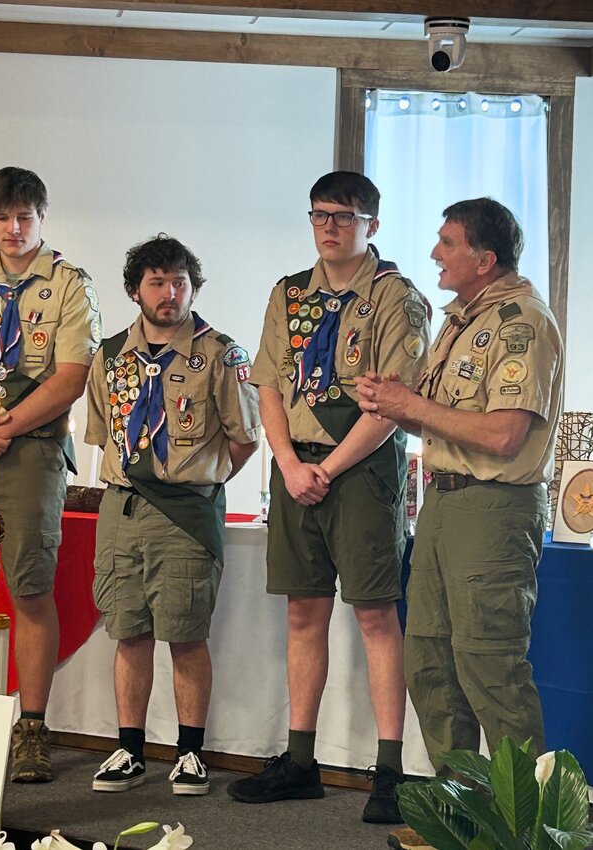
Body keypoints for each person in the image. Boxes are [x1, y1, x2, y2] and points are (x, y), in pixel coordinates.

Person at [357, 198, 563, 845]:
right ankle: (464, 820)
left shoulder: (521, 323)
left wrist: (410, 403)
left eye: (447, 243)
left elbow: (503, 434)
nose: (434, 255)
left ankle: (523, 827)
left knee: (490, 667)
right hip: (445, 502)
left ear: (485, 257)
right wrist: (396, 403)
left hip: (493, 508)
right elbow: (444, 418)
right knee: (432, 664)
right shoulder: (460, 320)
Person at [227, 171, 430, 823]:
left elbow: (394, 405)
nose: (329, 227)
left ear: (372, 224)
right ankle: (299, 760)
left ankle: (391, 770)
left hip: (362, 471)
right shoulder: (290, 295)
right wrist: (287, 463)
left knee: (375, 616)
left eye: (343, 216)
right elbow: (269, 387)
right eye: (318, 215)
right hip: (296, 474)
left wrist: (328, 468)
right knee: (303, 615)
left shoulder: (394, 298)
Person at [86, 233, 259, 795]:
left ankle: (189, 752)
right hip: (122, 507)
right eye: (157, 281)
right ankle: (129, 749)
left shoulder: (221, 353)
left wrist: (199, 484)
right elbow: (101, 436)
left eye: (180, 281)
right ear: (135, 290)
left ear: (193, 287)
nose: (170, 292)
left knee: (185, 633)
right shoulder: (109, 356)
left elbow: (244, 439)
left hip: (186, 513)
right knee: (128, 631)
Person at [0, 166, 102, 782]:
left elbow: (71, 375)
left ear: (41, 216)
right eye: (1, 217)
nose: (13, 229)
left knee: (28, 584)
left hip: (31, 451)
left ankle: (32, 729)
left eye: (24, 217)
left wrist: (5, 426)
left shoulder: (69, 284)